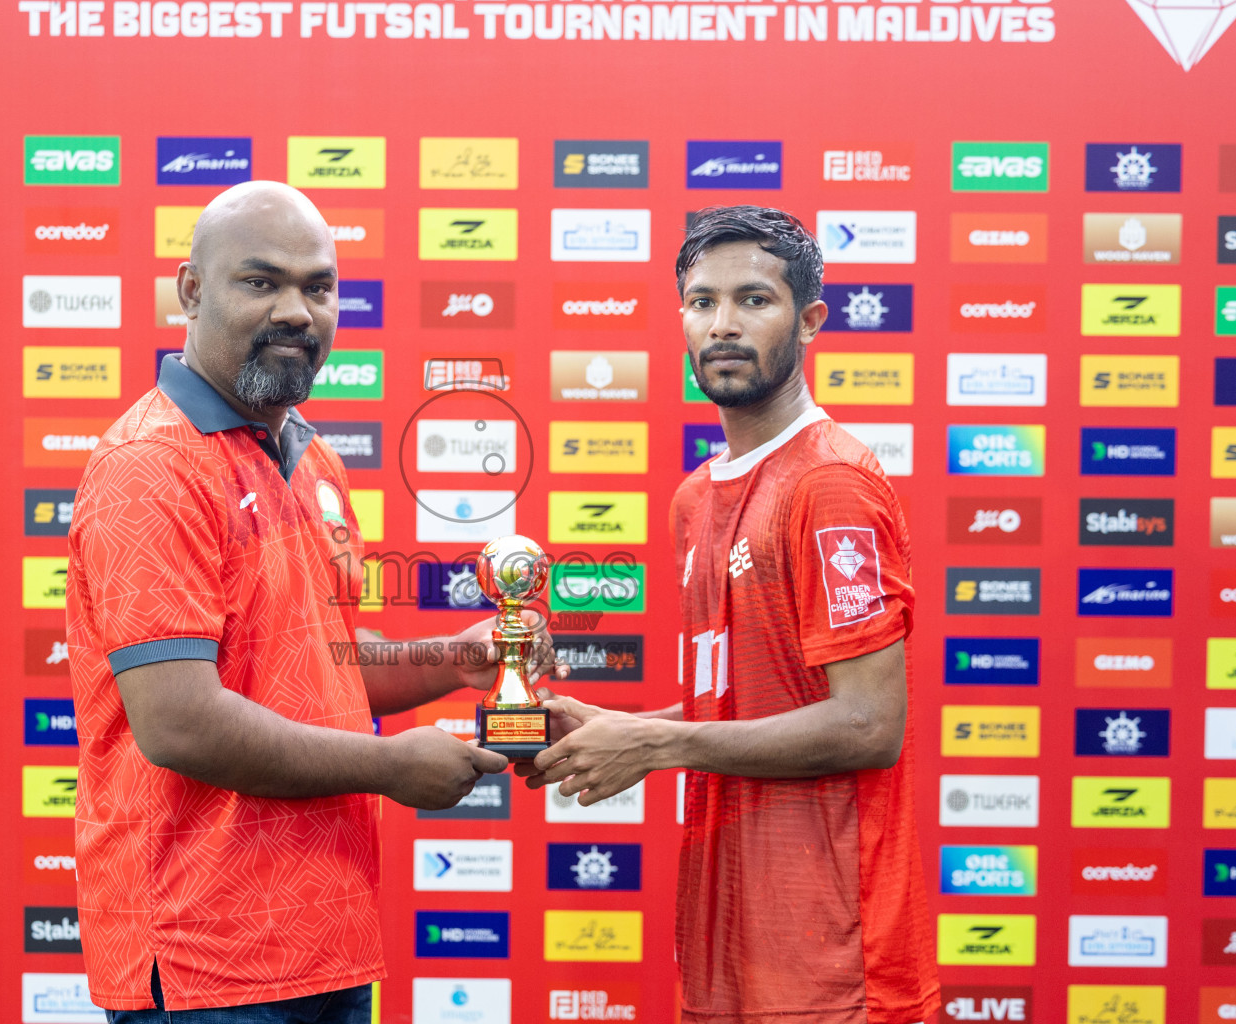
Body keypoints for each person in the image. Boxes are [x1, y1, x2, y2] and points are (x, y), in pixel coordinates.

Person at [66, 181, 557, 1023]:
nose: (296, 310)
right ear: (191, 291)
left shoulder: (311, 458)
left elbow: (315, 669)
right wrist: (388, 766)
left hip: (325, 938)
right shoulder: (152, 467)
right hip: (204, 958)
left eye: (318, 287)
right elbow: (180, 723)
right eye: (262, 282)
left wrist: (458, 659)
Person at [520, 206, 940, 1024]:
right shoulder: (694, 498)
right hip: (730, 936)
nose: (723, 325)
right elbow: (754, 703)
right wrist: (620, 728)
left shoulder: (830, 483)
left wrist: (656, 745)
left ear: (809, 321)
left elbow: (867, 725)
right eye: (702, 302)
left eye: (754, 299)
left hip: (834, 959)